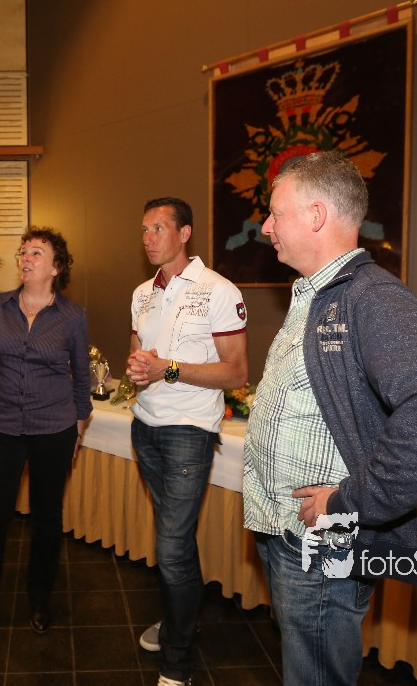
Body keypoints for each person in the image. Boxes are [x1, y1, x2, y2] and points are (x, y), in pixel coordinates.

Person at [242, 151, 417, 686]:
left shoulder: (373, 298)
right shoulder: (314, 295)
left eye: (275, 213)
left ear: (317, 215)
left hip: (324, 543)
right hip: (286, 531)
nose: (266, 227)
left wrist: (348, 501)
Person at [126, 198, 248, 686]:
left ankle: (178, 661)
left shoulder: (218, 289)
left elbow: (236, 372)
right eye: (144, 229)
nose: (148, 238)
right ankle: (182, 622)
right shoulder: (141, 293)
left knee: (172, 546)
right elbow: (139, 357)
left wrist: (167, 369)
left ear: (184, 233)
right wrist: (139, 368)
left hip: (188, 431)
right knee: (173, 542)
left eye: (158, 228)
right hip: (144, 426)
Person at [0, 226, 92, 642]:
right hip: (0, 426)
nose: (26, 258)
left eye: (37, 253)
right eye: (23, 251)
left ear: (56, 267)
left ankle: (40, 598)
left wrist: (78, 429)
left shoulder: (72, 317)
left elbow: (82, 378)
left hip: (53, 428)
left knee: (47, 518)